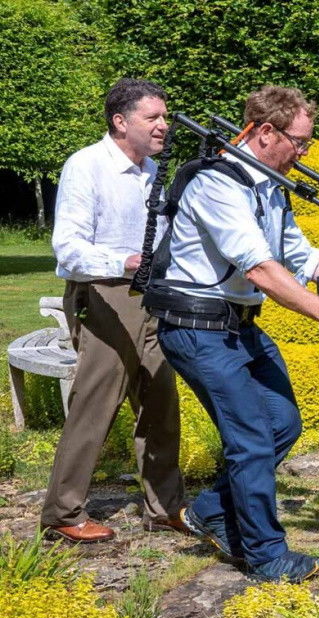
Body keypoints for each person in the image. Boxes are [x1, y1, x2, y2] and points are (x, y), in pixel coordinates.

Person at [150, 85, 319, 582]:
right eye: (300, 141)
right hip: (198, 328)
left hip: (238, 327)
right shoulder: (219, 184)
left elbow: (301, 255)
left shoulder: (269, 186)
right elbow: (261, 270)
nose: (304, 152)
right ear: (266, 132)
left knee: (281, 423)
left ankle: (210, 510)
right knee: (251, 439)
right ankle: (265, 556)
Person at [42, 78, 186, 543]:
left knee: (162, 398)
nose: (164, 125)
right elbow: (67, 249)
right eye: (154, 118)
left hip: (153, 295)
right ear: (120, 122)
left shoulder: (152, 172)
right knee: (97, 401)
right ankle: (63, 513)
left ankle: (164, 507)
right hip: (104, 292)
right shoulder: (86, 166)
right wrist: (123, 259)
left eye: (164, 117)